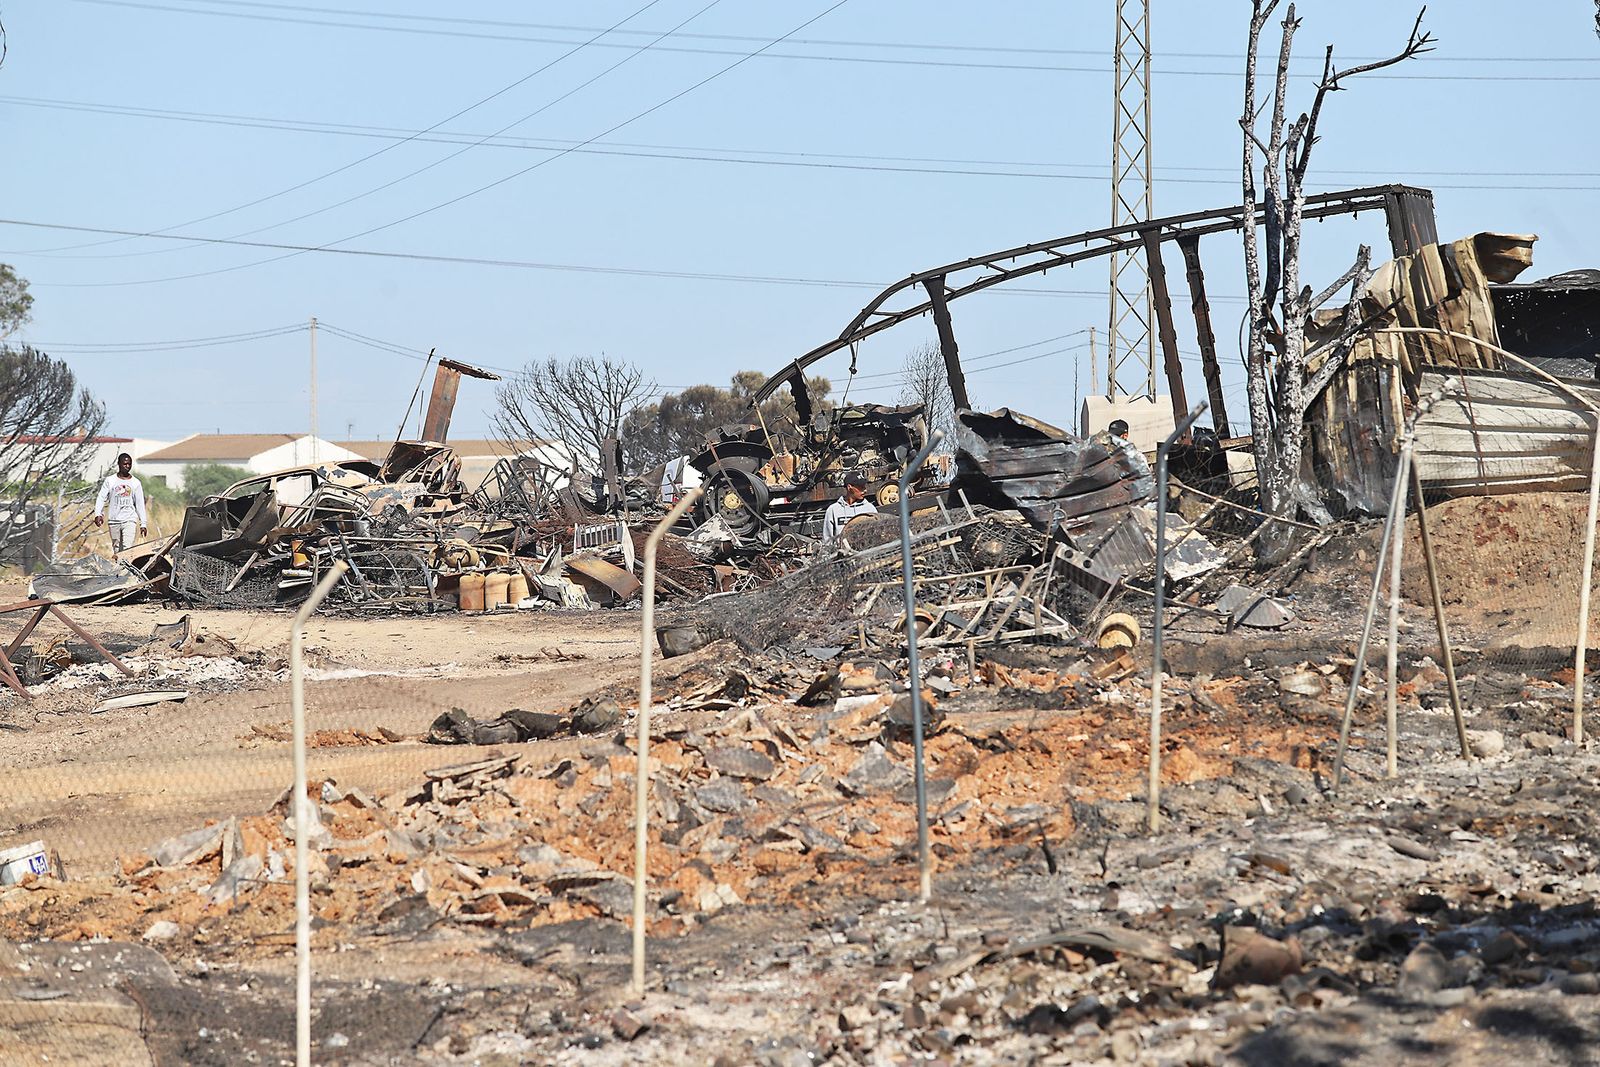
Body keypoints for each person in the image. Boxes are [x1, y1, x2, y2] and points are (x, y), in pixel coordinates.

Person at [93, 452, 147, 556]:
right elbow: (101, 498)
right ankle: (119, 570)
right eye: (125, 464)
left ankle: (126, 571)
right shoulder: (110, 480)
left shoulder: (136, 483)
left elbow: (140, 504)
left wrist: (143, 523)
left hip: (129, 520)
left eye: (129, 464)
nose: (127, 466)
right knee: (117, 550)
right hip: (114, 520)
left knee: (127, 549)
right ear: (119, 464)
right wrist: (98, 514)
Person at [821, 471, 877, 546]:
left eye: (864, 486)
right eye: (861, 487)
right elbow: (827, 541)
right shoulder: (833, 510)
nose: (865, 490)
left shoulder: (870, 509)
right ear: (849, 487)